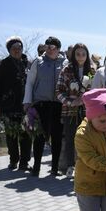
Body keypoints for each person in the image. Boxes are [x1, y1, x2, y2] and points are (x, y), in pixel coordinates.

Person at [23, 36, 66, 177]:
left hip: (59, 105)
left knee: (57, 137)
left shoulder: (65, 63)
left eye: (53, 47)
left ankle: (54, 168)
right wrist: (27, 101)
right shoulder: (38, 62)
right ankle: (36, 167)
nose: (50, 50)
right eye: (47, 47)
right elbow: (29, 82)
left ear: (58, 49)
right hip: (41, 104)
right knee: (40, 136)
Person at [0, 36, 32, 170]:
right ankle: (13, 160)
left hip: (26, 105)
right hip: (9, 105)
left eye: (19, 48)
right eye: (14, 48)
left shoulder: (28, 64)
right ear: (9, 50)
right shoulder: (2, 65)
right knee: (11, 135)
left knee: (27, 135)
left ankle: (24, 162)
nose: (17, 50)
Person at [56, 43, 92, 179]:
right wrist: (71, 102)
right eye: (78, 54)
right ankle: (70, 166)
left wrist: (86, 100)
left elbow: (95, 90)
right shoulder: (66, 70)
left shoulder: (92, 71)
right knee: (70, 139)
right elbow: (58, 91)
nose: (81, 57)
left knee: (86, 139)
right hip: (69, 111)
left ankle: (85, 165)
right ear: (73, 55)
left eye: (83, 54)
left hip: (87, 111)